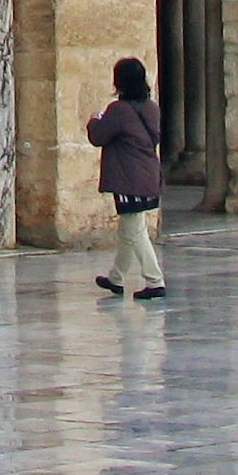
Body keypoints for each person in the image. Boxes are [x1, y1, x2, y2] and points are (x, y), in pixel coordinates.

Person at [90, 56, 167, 300]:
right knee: (129, 228)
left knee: (135, 230)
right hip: (149, 176)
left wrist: (94, 119)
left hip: (129, 179)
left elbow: (97, 136)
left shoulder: (119, 110)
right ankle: (116, 277)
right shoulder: (151, 108)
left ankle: (155, 281)